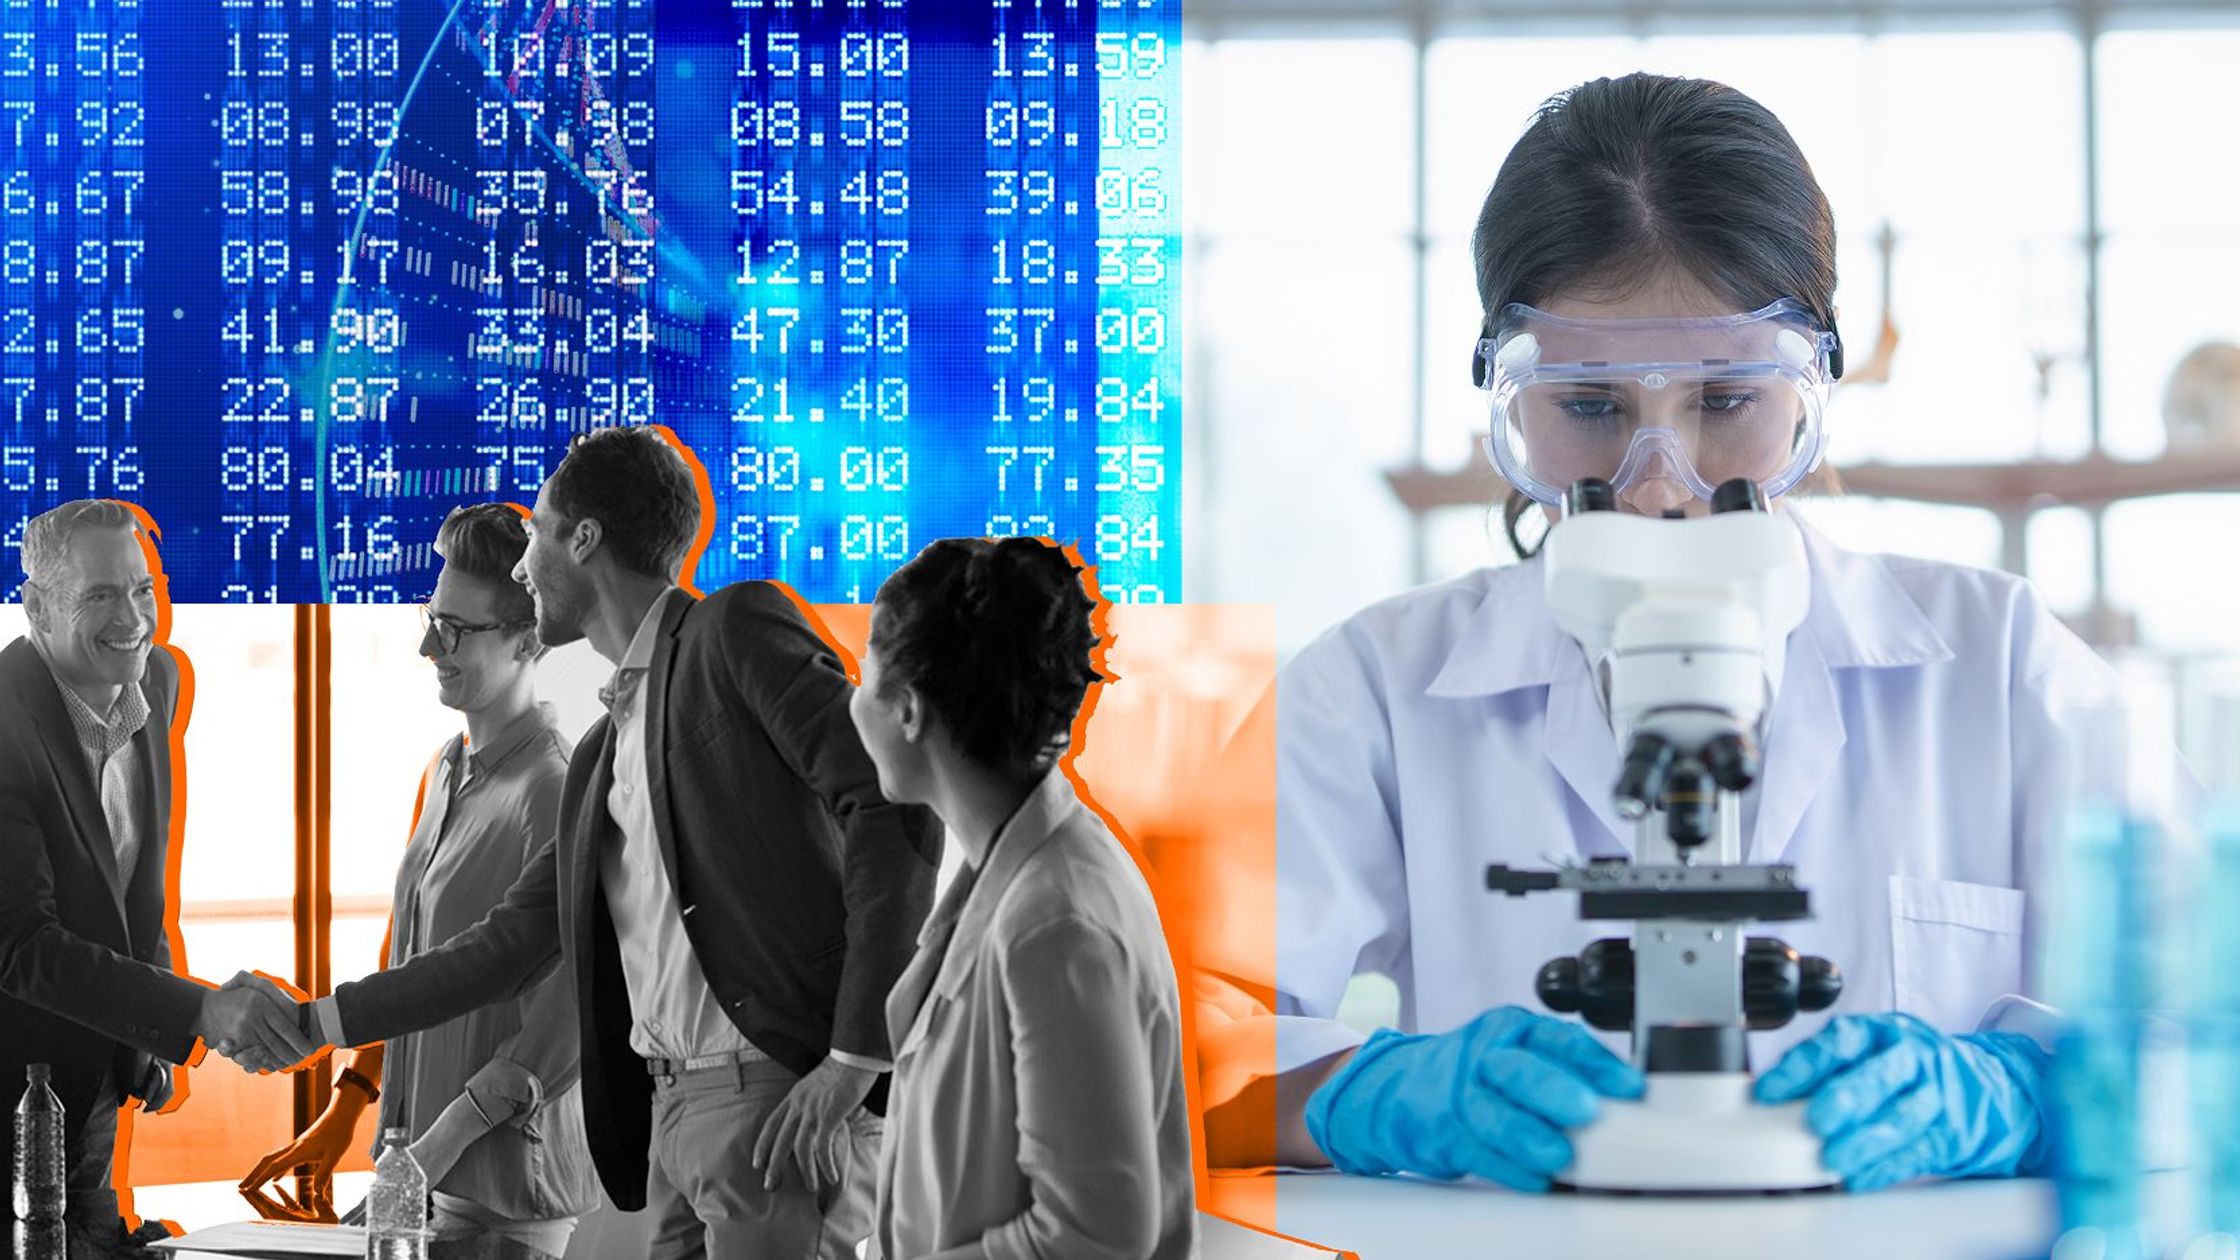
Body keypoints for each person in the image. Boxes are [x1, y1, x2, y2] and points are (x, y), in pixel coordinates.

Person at [1218, 73, 2114, 1195]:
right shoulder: (1373, 691)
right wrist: (1359, 1094)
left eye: (1726, 402)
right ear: (1510, 398)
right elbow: (1137, 1046)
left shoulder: (2000, 664)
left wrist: (2029, 1094)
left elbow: (2204, 1013)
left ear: (1810, 390)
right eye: (1589, 407)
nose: (1656, 486)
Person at [228, 425, 942, 1259]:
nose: (522, 567)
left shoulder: (732, 630)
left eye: (535, 532)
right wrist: (316, 1022)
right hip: (670, 1119)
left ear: (584, 538)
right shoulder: (603, 752)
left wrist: (856, 1059)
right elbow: (501, 949)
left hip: (773, 1095)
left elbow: (891, 800)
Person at [237, 504, 597, 1258]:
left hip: (498, 1198)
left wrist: (432, 1153)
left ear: (528, 639)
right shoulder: (444, 769)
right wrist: (346, 1113)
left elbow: (568, 1016)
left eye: (456, 630)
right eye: (433, 619)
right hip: (419, 1183)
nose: (429, 645)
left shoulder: (555, 788)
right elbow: (410, 966)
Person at [849, 538, 1196, 1260]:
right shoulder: (1016, 875)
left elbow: (1093, 1235)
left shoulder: (1055, 923)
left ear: (908, 710)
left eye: (863, 670)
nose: (853, 700)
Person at [0, 500, 314, 1258]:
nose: (134, 617)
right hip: (11, 1088)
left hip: (95, 1077)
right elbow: (22, 945)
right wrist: (198, 1011)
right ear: (38, 607)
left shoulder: (159, 680)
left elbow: (136, 884)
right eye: (101, 594)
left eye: (143, 588)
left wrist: (148, 1036)